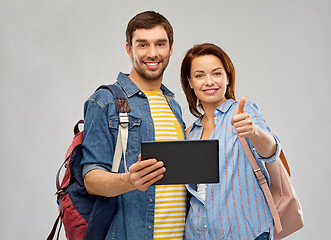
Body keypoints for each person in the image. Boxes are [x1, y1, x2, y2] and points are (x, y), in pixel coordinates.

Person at [81, 11, 187, 239]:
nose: (152, 53)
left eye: (160, 44)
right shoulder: (105, 101)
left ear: (170, 48)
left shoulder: (173, 105)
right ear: (129, 49)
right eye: (142, 45)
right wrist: (128, 181)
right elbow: (91, 178)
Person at [180, 43, 282, 240]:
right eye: (200, 75)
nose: (209, 82)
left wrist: (254, 132)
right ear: (190, 82)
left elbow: (272, 151)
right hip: (198, 234)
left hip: (246, 233)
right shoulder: (189, 133)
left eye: (216, 73)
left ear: (227, 77)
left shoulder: (244, 113)